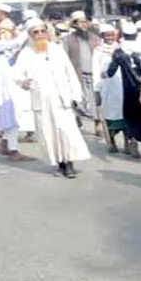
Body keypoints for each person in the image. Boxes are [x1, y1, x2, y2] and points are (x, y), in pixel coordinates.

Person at [13, 18, 91, 178]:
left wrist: (75, 95)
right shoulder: (26, 53)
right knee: (49, 133)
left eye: (43, 31)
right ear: (30, 35)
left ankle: (69, 164)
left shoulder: (57, 49)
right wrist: (24, 82)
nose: (40, 34)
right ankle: (59, 164)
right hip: (41, 100)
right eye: (36, 32)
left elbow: (70, 72)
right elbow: (16, 74)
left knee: (66, 131)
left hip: (61, 99)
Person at [106, 22, 141, 159]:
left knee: (131, 118)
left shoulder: (119, 52)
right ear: (135, 35)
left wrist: (103, 74)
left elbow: (110, 72)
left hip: (129, 91)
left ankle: (133, 142)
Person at [62, 10, 101, 135]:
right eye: (80, 22)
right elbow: (64, 59)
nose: (83, 25)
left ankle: (98, 124)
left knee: (95, 101)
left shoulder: (94, 38)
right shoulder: (68, 40)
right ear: (74, 24)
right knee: (78, 100)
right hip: (77, 75)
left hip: (94, 75)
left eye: (85, 22)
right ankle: (77, 120)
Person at [0, 17, 32, 161]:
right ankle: (13, 151)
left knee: (11, 117)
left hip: (10, 88)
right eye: (4, 31)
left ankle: (6, 145)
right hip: (4, 90)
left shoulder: (6, 47)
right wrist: (29, 26)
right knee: (10, 116)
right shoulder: (2, 45)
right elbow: (16, 43)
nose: (7, 34)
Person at [92, 23, 126, 153]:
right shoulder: (98, 51)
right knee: (109, 115)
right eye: (107, 35)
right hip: (106, 88)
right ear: (102, 36)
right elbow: (96, 71)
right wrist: (96, 91)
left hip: (121, 87)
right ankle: (112, 142)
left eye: (112, 35)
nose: (110, 37)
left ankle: (127, 142)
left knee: (124, 115)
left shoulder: (121, 48)